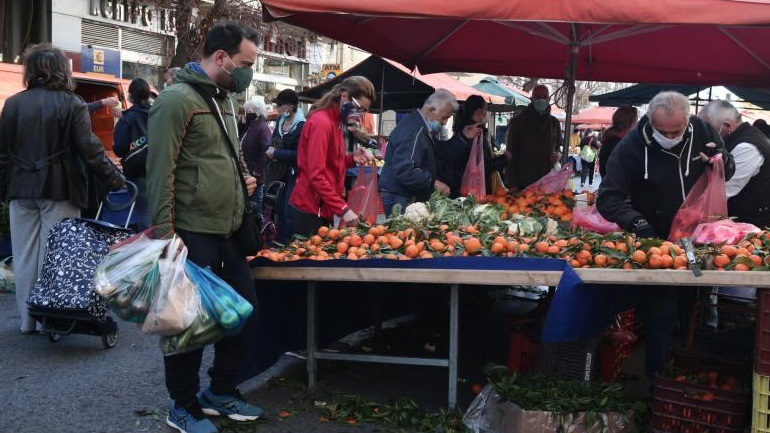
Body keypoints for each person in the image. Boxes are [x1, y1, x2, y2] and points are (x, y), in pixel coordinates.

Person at [147, 22, 262, 433]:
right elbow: (160, 172)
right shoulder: (177, 101)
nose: (249, 70)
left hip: (228, 229)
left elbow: (223, 159)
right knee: (188, 325)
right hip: (191, 232)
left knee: (243, 312)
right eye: (246, 63)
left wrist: (242, 180)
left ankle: (221, 391)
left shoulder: (225, 100)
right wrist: (166, 238)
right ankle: (182, 405)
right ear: (221, 57)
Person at [597, 91, 734, 385]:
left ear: (688, 120)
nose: (669, 136)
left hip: (694, 240)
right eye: (662, 131)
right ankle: (650, 379)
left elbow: (728, 167)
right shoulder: (631, 146)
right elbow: (608, 198)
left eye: (676, 131)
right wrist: (636, 221)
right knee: (657, 306)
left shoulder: (704, 132)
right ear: (651, 121)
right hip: (652, 242)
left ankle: (681, 365)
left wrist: (719, 161)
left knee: (692, 295)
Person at [0, 43, 125, 334]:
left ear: (31, 70)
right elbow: (90, 149)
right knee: (56, 254)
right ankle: (50, 318)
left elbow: (3, 152)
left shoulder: (13, 103)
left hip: (21, 188)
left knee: (25, 255)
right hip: (60, 186)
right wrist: (115, 179)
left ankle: (27, 320)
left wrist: (4, 188)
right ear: (60, 69)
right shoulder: (72, 103)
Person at [288, 76, 374, 236]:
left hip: (322, 208)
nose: (360, 114)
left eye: (364, 111)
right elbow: (316, 174)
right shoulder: (322, 123)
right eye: (359, 108)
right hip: (309, 209)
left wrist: (351, 158)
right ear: (344, 97)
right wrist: (343, 209)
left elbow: (329, 161)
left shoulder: (335, 122)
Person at [379, 89, 479, 215]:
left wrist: (463, 137)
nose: (444, 123)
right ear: (431, 110)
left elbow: (439, 151)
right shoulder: (414, 130)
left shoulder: (421, 128)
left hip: (404, 194)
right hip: (401, 196)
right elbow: (405, 170)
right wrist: (433, 183)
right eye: (444, 117)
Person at [699, 100, 770, 228]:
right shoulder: (736, 138)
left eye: (708, 129)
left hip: (749, 226)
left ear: (726, 126)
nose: (705, 134)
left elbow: (724, 190)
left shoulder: (748, 146)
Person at [441, 95, 507, 198]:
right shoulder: (473, 133)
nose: (487, 114)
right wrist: (505, 158)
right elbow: (482, 166)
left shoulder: (463, 129)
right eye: (486, 110)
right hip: (468, 190)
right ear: (480, 112)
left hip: (461, 187)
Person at [265, 89, 305, 243]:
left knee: (287, 211)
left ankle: (286, 244)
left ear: (289, 106)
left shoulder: (301, 125)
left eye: (279, 105)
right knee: (275, 209)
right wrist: (270, 148)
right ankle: (275, 240)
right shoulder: (280, 121)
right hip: (277, 174)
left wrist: (276, 153)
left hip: (293, 175)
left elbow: (300, 154)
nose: (277, 108)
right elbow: (273, 140)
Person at [503, 84, 561, 191]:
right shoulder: (518, 122)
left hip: (547, 180)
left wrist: (557, 156)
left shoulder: (554, 123)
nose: (541, 100)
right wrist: (512, 183)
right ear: (532, 98)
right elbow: (510, 154)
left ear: (548, 99)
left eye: (544, 97)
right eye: (538, 97)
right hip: (523, 181)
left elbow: (557, 148)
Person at [113, 78, 152, 230]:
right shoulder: (157, 113)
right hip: (159, 168)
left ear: (130, 97)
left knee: (143, 212)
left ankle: (147, 248)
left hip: (137, 172)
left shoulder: (127, 119)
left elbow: (120, 149)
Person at [240, 97, 272, 215]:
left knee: (256, 206)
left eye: (249, 111)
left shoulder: (262, 128)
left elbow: (265, 150)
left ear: (257, 112)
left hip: (255, 176)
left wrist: (257, 171)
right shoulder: (251, 126)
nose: (247, 113)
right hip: (248, 173)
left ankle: (258, 229)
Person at [598, 106, 638, 178]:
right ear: (630, 124)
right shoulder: (620, 145)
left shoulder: (610, 139)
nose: (637, 125)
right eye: (636, 121)